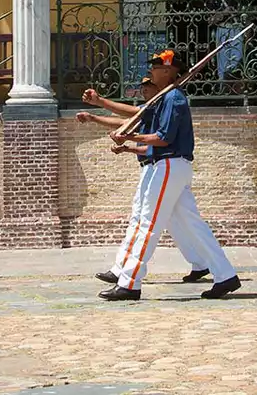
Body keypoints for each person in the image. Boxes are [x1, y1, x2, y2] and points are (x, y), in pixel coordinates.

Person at [98, 48, 242, 302]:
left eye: (157, 67)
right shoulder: (162, 98)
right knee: (194, 226)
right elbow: (137, 115)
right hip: (168, 166)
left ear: (169, 71)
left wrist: (128, 137)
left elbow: (163, 139)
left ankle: (130, 282)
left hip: (169, 164)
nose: (151, 70)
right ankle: (225, 275)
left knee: (148, 222)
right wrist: (102, 107)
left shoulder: (174, 98)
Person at [76, 77, 215, 290]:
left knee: (147, 221)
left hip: (164, 166)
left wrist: (101, 103)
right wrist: (96, 117)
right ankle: (205, 265)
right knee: (181, 223)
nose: (143, 90)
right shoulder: (153, 109)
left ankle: (126, 275)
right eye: (142, 86)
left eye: (147, 86)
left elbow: (137, 124)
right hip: (157, 167)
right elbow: (126, 123)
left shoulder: (164, 105)